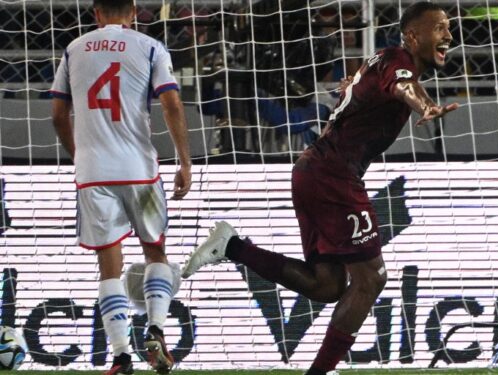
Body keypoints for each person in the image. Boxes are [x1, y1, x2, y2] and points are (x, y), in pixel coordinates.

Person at [181, 2, 456, 374]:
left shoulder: (379, 60)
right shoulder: (396, 62)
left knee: (327, 285)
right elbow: (404, 85)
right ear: (413, 35)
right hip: (333, 175)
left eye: (449, 27)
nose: (449, 35)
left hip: (314, 170)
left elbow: (364, 90)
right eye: (440, 28)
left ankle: (231, 246)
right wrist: (424, 105)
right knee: (371, 278)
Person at [50, 1, 192, 374]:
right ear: (132, 12)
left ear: (95, 13)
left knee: (108, 266)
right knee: (154, 251)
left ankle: (120, 356)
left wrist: (79, 152)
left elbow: (57, 114)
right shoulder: (149, 47)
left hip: (94, 171)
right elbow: (172, 103)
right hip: (139, 170)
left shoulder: (74, 48)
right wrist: (184, 160)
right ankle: (157, 329)